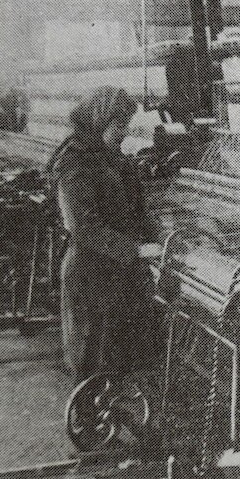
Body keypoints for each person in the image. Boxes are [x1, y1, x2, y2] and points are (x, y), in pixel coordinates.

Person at [48, 87, 162, 386]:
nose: (124, 132)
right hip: (90, 276)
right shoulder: (73, 162)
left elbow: (138, 210)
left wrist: (161, 237)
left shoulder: (115, 159)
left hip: (121, 274)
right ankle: (89, 413)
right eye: (119, 125)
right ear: (99, 121)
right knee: (91, 366)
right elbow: (83, 226)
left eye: (127, 125)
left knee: (121, 365)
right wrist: (136, 250)